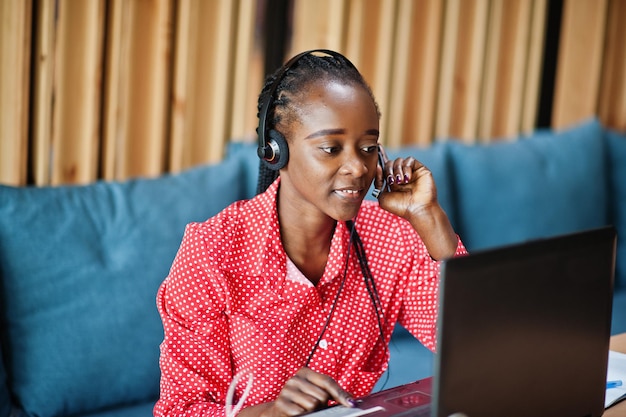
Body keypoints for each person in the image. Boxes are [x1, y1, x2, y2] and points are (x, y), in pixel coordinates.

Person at [154, 49, 467, 417]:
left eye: (368, 148)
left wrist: (428, 216)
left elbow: (479, 346)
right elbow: (179, 410)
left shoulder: (390, 237)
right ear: (276, 151)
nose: (356, 167)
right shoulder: (212, 251)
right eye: (330, 148)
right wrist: (270, 413)